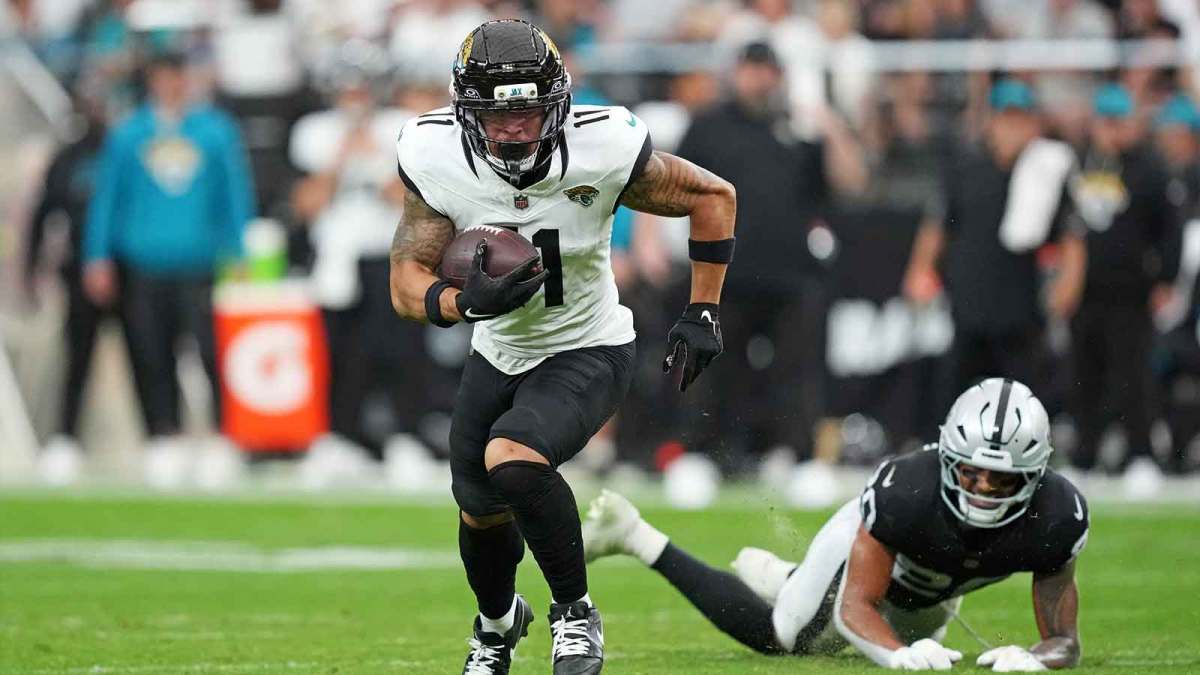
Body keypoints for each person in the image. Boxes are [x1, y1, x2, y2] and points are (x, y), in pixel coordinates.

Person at [388, 19, 735, 675]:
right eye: (498, 112)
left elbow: (714, 196)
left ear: (558, 105)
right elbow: (406, 281)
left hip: (589, 345)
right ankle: (495, 627)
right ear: (468, 113)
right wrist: (462, 303)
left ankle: (574, 613)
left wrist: (703, 308)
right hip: (497, 352)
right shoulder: (436, 159)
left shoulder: (602, 148)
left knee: (512, 458)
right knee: (478, 506)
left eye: (528, 109)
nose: (515, 127)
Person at [584, 378, 1088, 672]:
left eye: (1000, 481)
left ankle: (792, 578)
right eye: (970, 474)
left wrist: (1037, 658)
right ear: (947, 459)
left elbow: (1065, 639)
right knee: (785, 635)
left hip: (930, 588)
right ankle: (634, 534)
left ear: (1033, 475)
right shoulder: (906, 493)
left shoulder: (1058, 515)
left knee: (923, 651)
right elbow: (854, 610)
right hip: (869, 560)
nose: (980, 490)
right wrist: (896, 655)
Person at [83, 51, 255, 488]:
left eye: (178, 76)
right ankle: (164, 436)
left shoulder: (214, 131)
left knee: (210, 352)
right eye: (163, 77)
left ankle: (221, 438)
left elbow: (234, 194)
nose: (172, 85)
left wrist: (239, 251)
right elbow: (107, 198)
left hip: (200, 262)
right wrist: (97, 255)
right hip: (144, 262)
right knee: (150, 352)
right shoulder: (128, 134)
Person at [903, 78, 1086, 417]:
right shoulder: (966, 167)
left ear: (1034, 124)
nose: (1012, 128)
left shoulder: (1046, 170)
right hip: (969, 298)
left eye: (1020, 119)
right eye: (1006, 118)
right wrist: (921, 269)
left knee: (1022, 395)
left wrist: (1069, 283)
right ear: (991, 121)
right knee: (954, 387)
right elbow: (938, 224)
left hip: (1021, 304)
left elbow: (1071, 235)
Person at [1067, 83, 1179, 493]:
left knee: (1134, 376)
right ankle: (1084, 454)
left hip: (1131, 291)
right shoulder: (1081, 163)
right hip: (1086, 291)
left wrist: (1165, 277)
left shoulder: (1149, 169)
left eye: (1118, 121)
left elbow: (1170, 227)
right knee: (1084, 375)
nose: (1112, 130)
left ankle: (1141, 455)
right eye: (1106, 121)